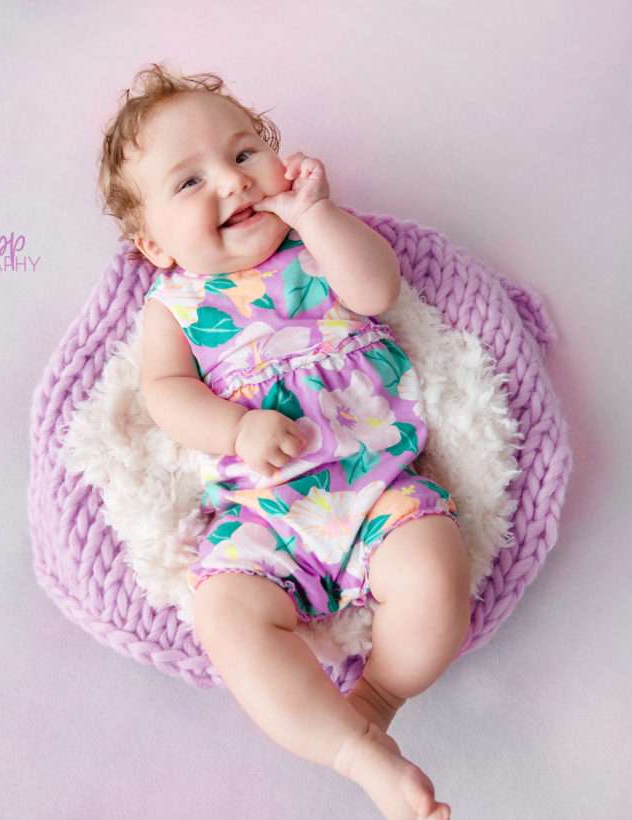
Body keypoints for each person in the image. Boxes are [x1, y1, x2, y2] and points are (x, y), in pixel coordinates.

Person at [98, 62, 472, 820]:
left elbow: (377, 292)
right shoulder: (172, 305)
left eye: (243, 155)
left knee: (436, 573)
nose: (232, 184)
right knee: (224, 616)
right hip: (265, 515)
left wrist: (318, 214)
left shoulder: (314, 246)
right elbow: (166, 396)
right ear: (154, 245)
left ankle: (376, 699)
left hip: (379, 486)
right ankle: (349, 751)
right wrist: (235, 428)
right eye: (190, 182)